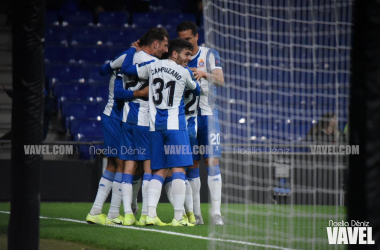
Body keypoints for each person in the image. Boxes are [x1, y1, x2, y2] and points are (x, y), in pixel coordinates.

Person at [121, 38, 200, 226]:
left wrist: (132, 51)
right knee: (179, 169)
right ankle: (178, 218)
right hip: (175, 127)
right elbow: (196, 90)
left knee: (159, 170)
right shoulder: (184, 72)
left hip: (156, 127)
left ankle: (150, 215)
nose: (189, 58)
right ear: (174, 53)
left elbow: (128, 70)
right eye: (186, 54)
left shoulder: (153, 65)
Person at [101, 27, 170, 226]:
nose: (166, 50)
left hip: (126, 118)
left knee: (127, 164)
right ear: (155, 44)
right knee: (149, 164)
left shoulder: (129, 58)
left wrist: (131, 49)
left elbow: (118, 78)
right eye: (164, 46)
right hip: (145, 119)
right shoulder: (156, 64)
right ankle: (147, 215)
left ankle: (126, 214)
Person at [85, 47, 149, 225]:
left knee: (115, 164)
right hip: (114, 117)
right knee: (120, 163)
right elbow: (118, 91)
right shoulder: (126, 67)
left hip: (117, 118)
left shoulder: (125, 63)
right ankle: (111, 214)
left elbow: (104, 69)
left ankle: (98, 211)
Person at [177, 21, 225, 225]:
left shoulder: (209, 54)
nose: (185, 43)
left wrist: (204, 73)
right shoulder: (178, 56)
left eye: (188, 39)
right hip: (188, 117)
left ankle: (216, 213)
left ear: (196, 37)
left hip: (208, 116)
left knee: (212, 162)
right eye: (181, 39)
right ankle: (196, 214)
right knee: (192, 164)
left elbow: (221, 79)